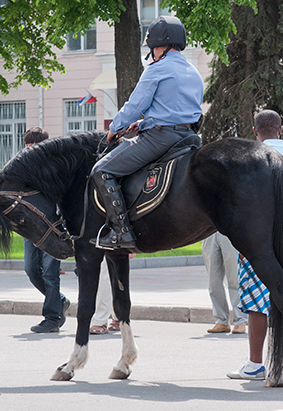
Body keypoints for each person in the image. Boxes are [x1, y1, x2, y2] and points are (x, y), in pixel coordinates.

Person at [89, 16, 204, 250]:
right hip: (189, 138)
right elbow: (176, 109)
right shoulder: (194, 72)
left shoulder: (157, 69)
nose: (152, 51)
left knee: (101, 170)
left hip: (161, 138)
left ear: (160, 46)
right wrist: (142, 124)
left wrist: (114, 129)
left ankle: (122, 233)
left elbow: (134, 106)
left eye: (153, 47)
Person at [227, 110, 283, 380]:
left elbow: (238, 209)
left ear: (255, 131)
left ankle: (255, 364)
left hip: (255, 244)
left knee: (256, 303)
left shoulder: (248, 161)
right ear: (281, 129)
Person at [23, 127, 70, 333]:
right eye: (27, 145)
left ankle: (52, 318)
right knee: (31, 269)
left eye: (34, 145)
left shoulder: (55, 168)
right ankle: (60, 301)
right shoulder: (22, 167)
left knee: (50, 274)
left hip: (53, 227)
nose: (29, 149)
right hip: (31, 227)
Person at [202, 232, 248, 334]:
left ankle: (240, 321)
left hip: (229, 228)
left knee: (235, 279)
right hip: (208, 230)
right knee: (213, 282)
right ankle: (221, 321)